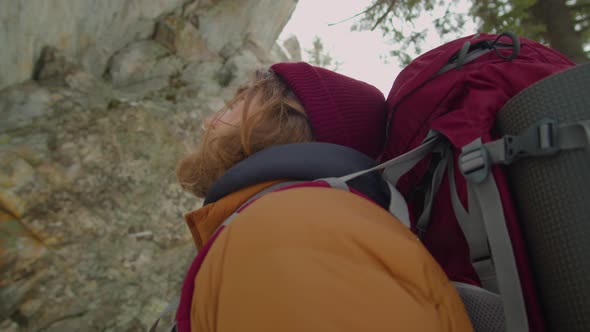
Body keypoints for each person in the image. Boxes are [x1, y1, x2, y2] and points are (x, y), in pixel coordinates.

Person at [174, 62, 472, 332]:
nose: (210, 121)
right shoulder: (307, 223)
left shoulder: (290, 228)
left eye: (237, 102)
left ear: (283, 118)